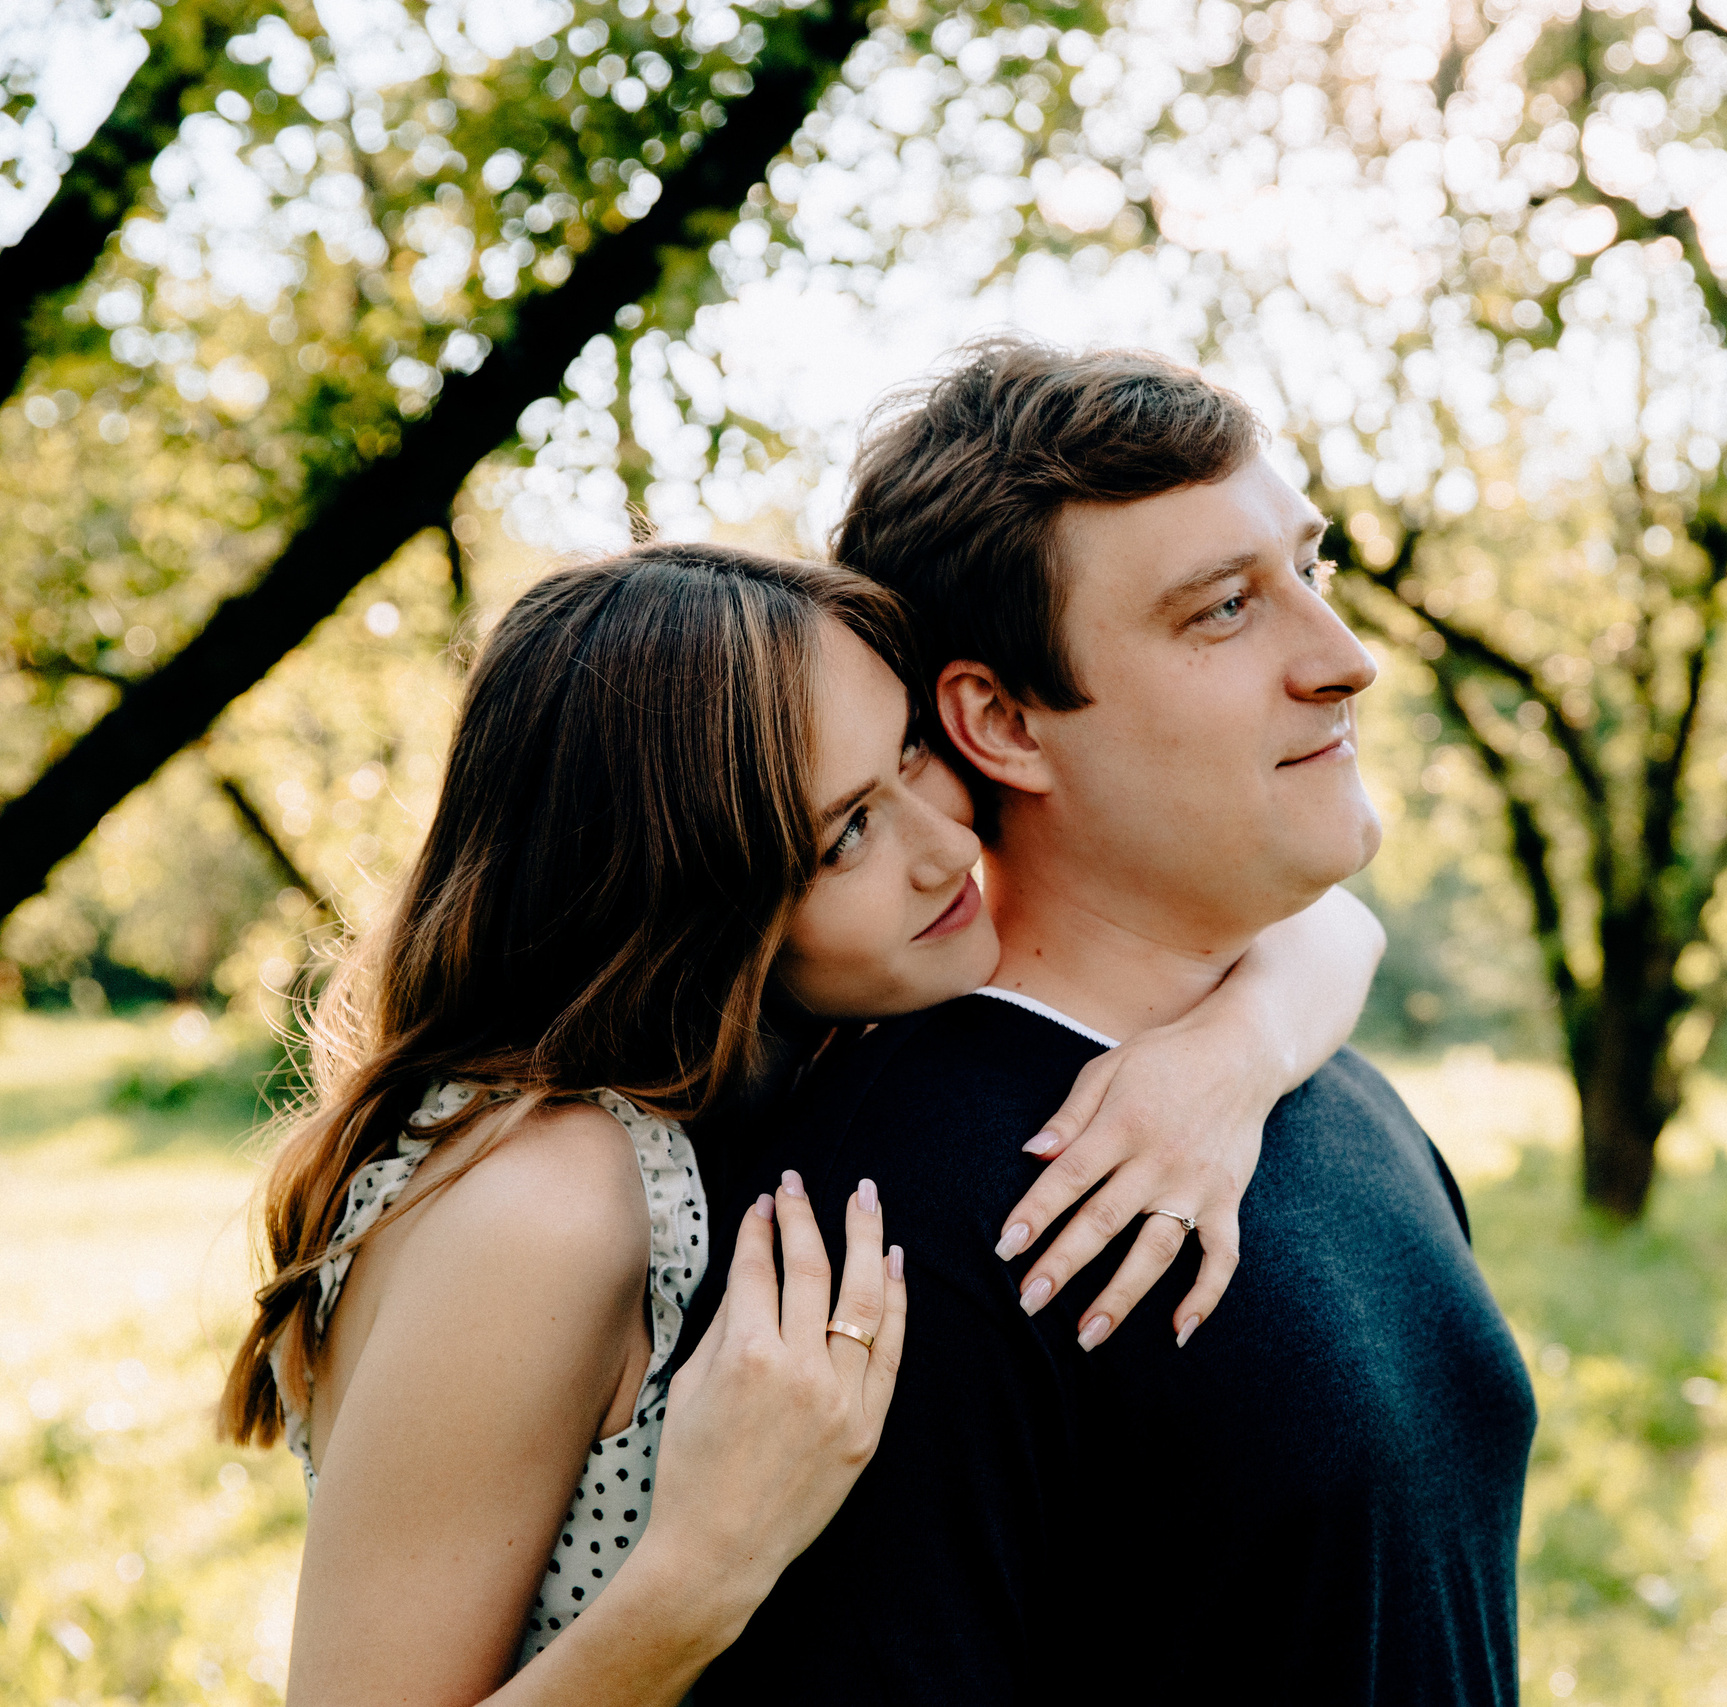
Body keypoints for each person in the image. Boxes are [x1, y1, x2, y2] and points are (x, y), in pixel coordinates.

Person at [218, 542, 1384, 1706]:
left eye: (912, 754)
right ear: (685, 903)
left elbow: (1337, 925)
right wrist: (709, 1565)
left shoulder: (794, 1047)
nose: (943, 846)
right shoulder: (549, 1196)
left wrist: (1227, 1064)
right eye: (842, 838)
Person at [691, 341, 1537, 1705]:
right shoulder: (891, 1241)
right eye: (1221, 611)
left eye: (1308, 572)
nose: (1347, 660)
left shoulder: (1331, 1079)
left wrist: (1249, 1052)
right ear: (1005, 719)